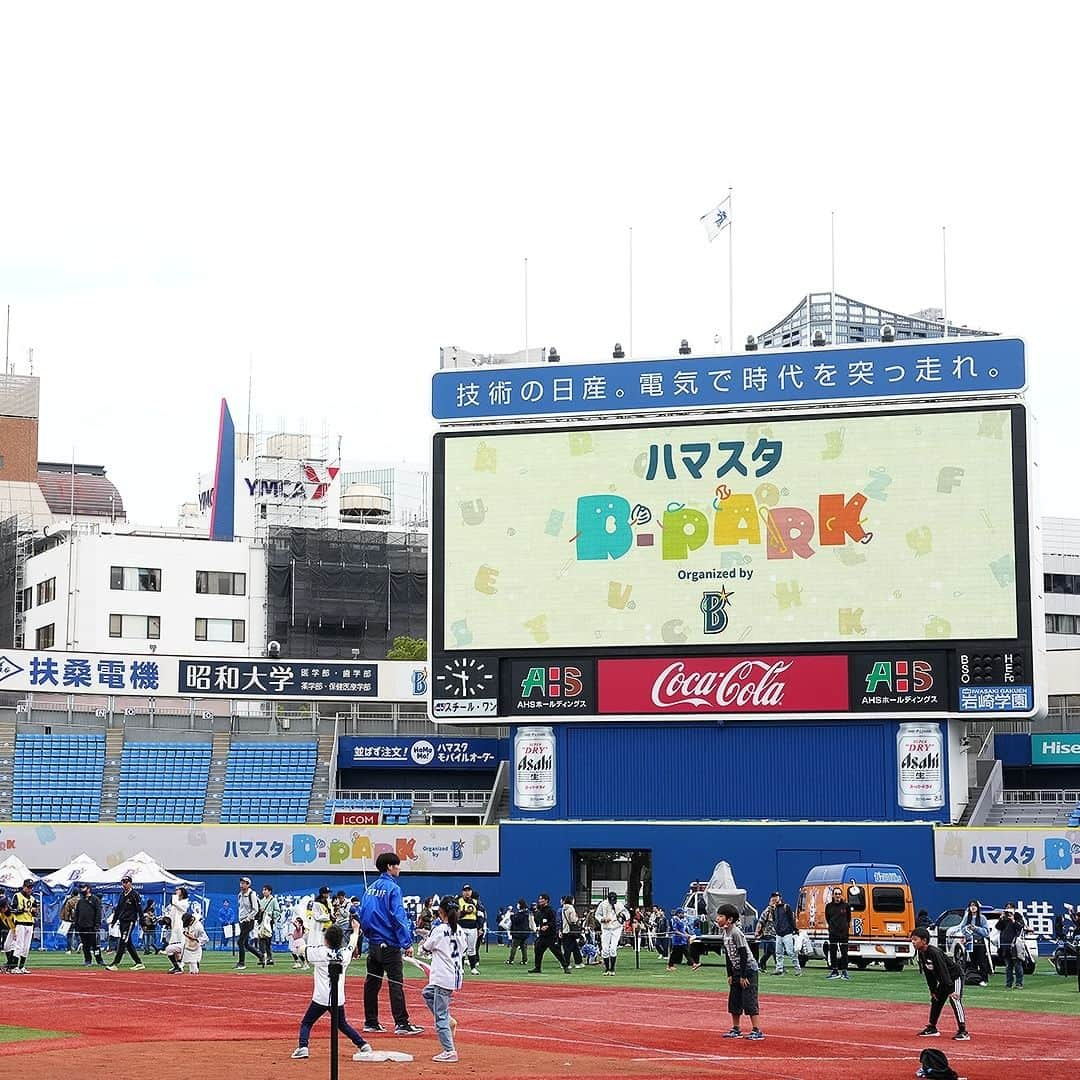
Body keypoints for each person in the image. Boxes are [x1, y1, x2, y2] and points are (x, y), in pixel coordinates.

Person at [358, 851, 424, 1036]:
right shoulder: (393, 888)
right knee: (395, 983)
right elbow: (398, 916)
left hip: (374, 944)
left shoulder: (370, 889)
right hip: (390, 943)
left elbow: (363, 915)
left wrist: (370, 937)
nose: (399, 868)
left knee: (372, 983)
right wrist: (406, 942)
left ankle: (371, 1022)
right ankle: (402, 1023)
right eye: (397, 865)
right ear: (390, 867)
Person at [291, 916, 374, 1061]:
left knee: (307, 1022)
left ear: (326, 939)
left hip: (320, 998)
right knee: (342, 1024)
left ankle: (303, 1047)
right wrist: (356, 930)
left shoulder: (319, 952)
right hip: (338, 998)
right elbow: (352, 944)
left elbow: (300, 949)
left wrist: (298, 936)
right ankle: (363, 1045)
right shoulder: (345, 954)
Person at [421, 896, 465, 1064]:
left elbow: (426, 947)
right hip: (454, 975)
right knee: (426, 993)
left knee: (439, 1015)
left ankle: (449, 1050)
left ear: (441, 912)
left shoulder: (440, 929)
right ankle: (449, 1020)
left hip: (443, 977)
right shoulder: (459, 929)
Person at [911, 927, 970, 1041]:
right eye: (912, 939)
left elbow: (944, 971)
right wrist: (933, 990)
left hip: (954, 977)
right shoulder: (921, 953)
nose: (913, 942)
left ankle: (963, 1031)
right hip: (945, 980)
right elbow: (929, 973)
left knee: (955, 1000)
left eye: (915, 939)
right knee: (936, 999)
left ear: (924, 940)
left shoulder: (934, 952)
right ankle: (932, 1028)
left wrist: (950, 991)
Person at [716, 903, 764, 1041]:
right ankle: (736, 1028)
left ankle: (756, 1030)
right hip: (736, 969)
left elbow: (743, 954)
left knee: (749, 999)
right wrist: (730, 974)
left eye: (720, 916)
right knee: (734, 1000)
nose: (717, 918)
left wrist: (743, 975)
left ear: (729, 919)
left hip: (747, 969)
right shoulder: (724, 933)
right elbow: (728, 955)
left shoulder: (736, 933)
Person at [106, 875, 144, 971]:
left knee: (123, 941)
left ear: (130, 883)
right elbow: (118, 908)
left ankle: (115, 963)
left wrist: (142, 922)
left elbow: (139, 909)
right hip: (122, 921)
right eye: (123, 882)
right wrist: (114, 921)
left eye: (126, 882)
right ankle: (139, 962)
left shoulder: (134, 894)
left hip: (130, 921)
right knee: (128, 943)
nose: (125, 884)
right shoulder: (122, 894)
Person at [529, 892, 570, 974]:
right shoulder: (540, 910)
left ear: (546, 900)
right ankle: (537, 968)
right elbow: (538, 920)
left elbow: (554, 921)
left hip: (550, 936)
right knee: (538, 950)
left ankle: (565, 967)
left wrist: (547, 926)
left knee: (557, 952)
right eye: (539, 899)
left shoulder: (550, 910)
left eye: (541, 899)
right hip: (542, 936)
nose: (539, 900)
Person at [957, 900, 990, 986]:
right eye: (971, 906)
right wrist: (967, 930)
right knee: (972, 961)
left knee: (982, 961)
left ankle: (984, 979)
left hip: (979, 942)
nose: (973, 907)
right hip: (970, 942)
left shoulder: (982, 918)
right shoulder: (967, 917)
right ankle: (974, 979)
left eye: (974, 906)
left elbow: (986, 932)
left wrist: (976, 928)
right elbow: (962, 928)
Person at [73, 882, 104, 966]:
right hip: (82, 926)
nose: (81, 889)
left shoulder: (95, 900)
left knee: (95, 945)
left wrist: (97, 924)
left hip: (92, 926)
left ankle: (99, 960)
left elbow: (98, 913)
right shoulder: (80, 901)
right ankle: (88, 960)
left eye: (83, 888)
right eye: (81, 888)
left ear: (88, 889)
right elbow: (77, 913)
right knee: (85, 945)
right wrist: (76, 924)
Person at [996, 902, 1026, 990]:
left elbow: (1020, 927)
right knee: (1008, 965)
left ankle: (1019, 983)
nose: (1008, 910)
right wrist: (1001, 918)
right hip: (1005, 944)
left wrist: (1013, 920)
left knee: (1017, 964)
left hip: (1015, 944)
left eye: (1010, 908)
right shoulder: (1004, 918)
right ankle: (1009, 983)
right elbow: (998, 927)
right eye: (1007, 908)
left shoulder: (1018, 916)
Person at [595, 891, 626, 976]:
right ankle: (607, 968)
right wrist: (602, 919)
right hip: (606, 928)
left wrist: (622, 916)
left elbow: (627, 915)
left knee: (613, 948)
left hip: (616, 927)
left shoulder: (620, 904)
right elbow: (597, 915)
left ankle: (612, 968)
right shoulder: (603, 904)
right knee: (605, 949)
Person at [825, 887, 852, 981]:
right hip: (833, 933)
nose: (837, 896)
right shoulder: (829, 906)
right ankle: (834, 971)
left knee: (844, 953)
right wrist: (832, 928)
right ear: (833, 895)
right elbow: (827, 918)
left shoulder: (846, 906)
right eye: (836, 894)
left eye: (839, 894)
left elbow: (849, 918)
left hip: (844, 933)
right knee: (833, 953)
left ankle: (844, 972)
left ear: (841, 895)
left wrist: (844, 927)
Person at [772, 892, 800, 976]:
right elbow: (774, 920)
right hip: (779, 934)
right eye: (774, 897)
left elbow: (791, 919)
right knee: (778, 952)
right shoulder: (774, 909)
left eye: (776, 896)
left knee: (790, 952)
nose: (775, 898)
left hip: (787, 933)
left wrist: (795, 929)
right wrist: (776, 929)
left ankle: (797, 969)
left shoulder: (786, 907)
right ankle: (779, 969)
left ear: (780, 897)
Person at [236, 876, 261, 969]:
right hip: (242, 921)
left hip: (249, 921)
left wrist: (248, 918)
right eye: (241, 883)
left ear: (248, 885)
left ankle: (241, 963)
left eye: (244, 883)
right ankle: (261, 956)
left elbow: (255, 909)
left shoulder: (252, 894)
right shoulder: (240, 894)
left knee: (240, 942)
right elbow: (241, 908)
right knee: (245, 944)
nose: (241, 885)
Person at [163, 888, 190, 972]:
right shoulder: (174, 905)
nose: (176, 891)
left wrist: (175, 896)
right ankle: (176, 966)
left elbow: (175, 902)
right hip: (174, 927)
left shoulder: (185, 902)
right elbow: (171, 914)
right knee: (172, 948)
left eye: (178, 890)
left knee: (180, 947)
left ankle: (181, 965)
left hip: (180, 927)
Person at [457, 884, 482, 975]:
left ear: (471, 892)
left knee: (472, 949)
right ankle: (461, 968)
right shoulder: (458, 901)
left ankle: (473, 968)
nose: (467, 893)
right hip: (462, 927)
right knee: (462, 948)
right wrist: (465, 912)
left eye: (469, 890)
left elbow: (480, 915)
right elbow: (456, 914)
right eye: (465, 891)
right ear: (462, 892)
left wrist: (480, 927)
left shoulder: (475, 902)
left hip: (473, 927)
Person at [666, 908, 698, 972]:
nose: (683, 914)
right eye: (682, 913)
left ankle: (693, 964)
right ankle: (693, 964)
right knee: (677, 953)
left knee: (685, 952)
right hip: (677, 940)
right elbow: (675, 930)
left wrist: (687, 935)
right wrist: (683, 935)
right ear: (678, 913)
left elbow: (682, 930)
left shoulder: (681, 920)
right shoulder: (674, 919)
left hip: (682, 940)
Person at [257, 884, 281, 967]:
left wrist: (270, 913)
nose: (264, 892)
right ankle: (262, 957)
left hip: (269, 922)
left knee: (267, 941)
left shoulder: (273, 900)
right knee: (261, 940)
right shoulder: (261, 900)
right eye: (263, 890)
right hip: (262, 922)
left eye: (265, 890)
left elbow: (278, 911)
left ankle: (269, 958)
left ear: (270, 891)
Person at [506, 898, 533, 966]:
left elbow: (516, 921)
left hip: (518, 934)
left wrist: (512, 916)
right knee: (524, 947)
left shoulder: (521, 914)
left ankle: (511, 960)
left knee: (514, 946)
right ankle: (524, 960)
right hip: (525, 933)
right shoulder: (527, 913)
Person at [756, 893, 777, 972]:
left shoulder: (778, 911)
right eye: (773, 901)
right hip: (768, 933)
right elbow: (760, 922)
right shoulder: (767, 911)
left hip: (775, 934)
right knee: (775, 950)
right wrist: (757, 932)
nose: (774, 903)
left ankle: (762, 963)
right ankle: (779, 967)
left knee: (769, 951)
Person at [561, 895, 583, 969]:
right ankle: (566, 963)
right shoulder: (571, 908)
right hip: (571, 930)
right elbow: (573, 920)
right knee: (568, 948)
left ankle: (578, 962)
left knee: (574, 947)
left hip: (565, 930)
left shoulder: (563, 908)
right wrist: (577, 919)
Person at [61, 889, 79, 953]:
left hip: (70, 920)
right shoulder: (81, 901)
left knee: (69, 935)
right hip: (79, 921)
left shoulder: (69, 901)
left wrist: (66, 919)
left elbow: (66, 911)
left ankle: (69, 950)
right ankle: (78, 947)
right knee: (78, 934)